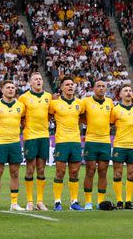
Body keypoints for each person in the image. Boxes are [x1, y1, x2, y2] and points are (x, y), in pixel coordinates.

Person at [0, 80, 25, 211]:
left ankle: (14, 203)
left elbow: (24, 121)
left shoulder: (20, 106)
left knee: (15, 173)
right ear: (2, 90)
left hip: (15, 143)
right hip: (1, 143)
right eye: (8, 87)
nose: (11, 90)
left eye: (13, 87)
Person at [50, 76, 85, 211]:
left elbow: (83, 118)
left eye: (72, 84)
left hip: (75, 141)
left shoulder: (80, 104)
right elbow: (48, 116)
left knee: (75, 171)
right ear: (62, 87)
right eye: (67, 84)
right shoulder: (54, 104)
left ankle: (74, 202)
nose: (70, 86)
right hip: (62, 141)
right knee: (60, 171)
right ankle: (57, 202)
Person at [18, 72, 51, 210]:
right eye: (35, 79)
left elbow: (50, 114)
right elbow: (19, 115)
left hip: (44, 136)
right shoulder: (23, 97)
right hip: (30, 136)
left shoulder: (48, 97)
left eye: (40, 79)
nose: (38, 81)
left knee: (41, 170)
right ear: (30, 83)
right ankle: (30, 201)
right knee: (30, 169)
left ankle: (40, 201)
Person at [110, 83, 133, 209]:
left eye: (130, 90)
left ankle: (128, 201)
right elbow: (109, 124)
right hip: (119, 145)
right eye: (125, 90)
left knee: (132, 175)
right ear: (120, 94)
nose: (128, 92)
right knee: (117, 174)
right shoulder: (115, 110)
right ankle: (119, 201)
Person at [81, 80, 113, 210]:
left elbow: (112, 119)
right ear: (93, 88)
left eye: (103, 86)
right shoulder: (86, 101)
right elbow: (78, 115)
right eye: (98, 86)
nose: (101, 88)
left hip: (105, 141)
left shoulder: (110, 102)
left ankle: (100, 201)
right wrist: (88, 122)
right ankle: (88, 201)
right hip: (91, 141)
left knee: (103, 171)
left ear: (106, 89)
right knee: (90, 171)